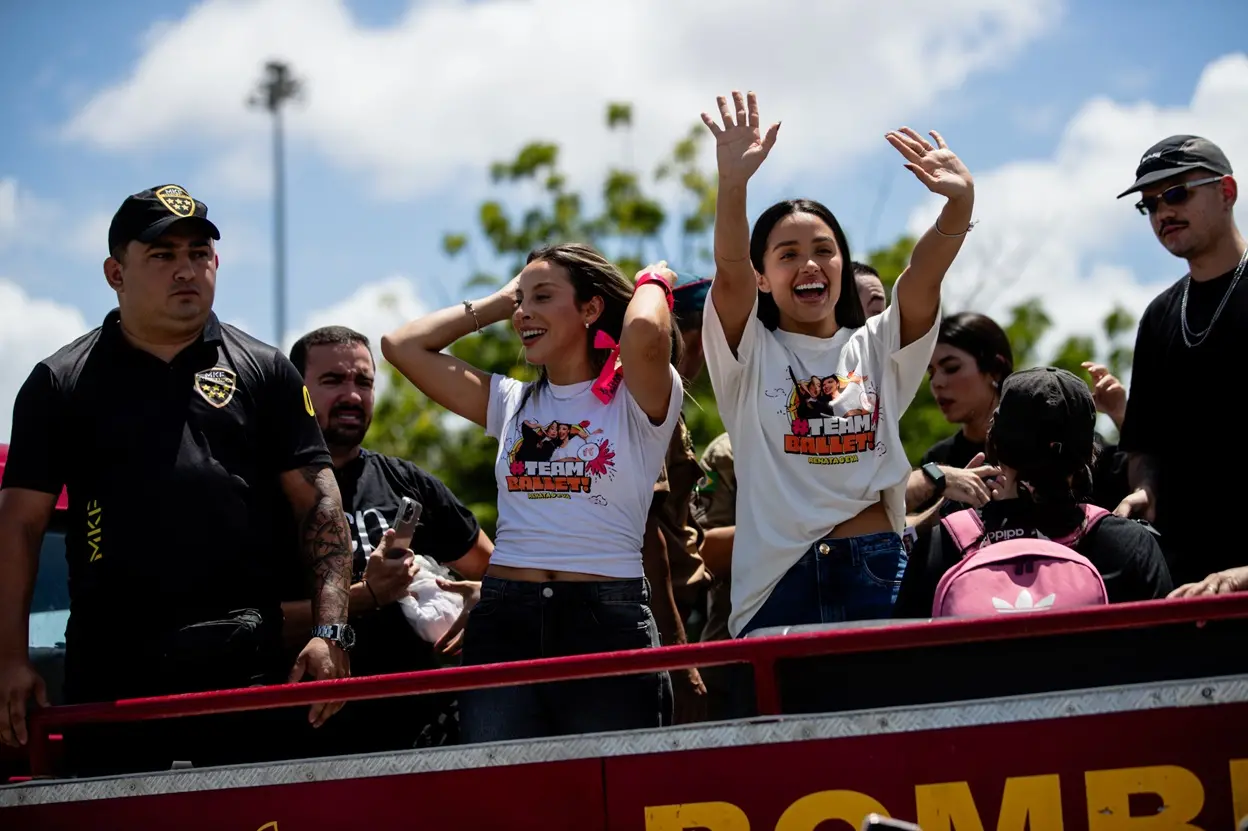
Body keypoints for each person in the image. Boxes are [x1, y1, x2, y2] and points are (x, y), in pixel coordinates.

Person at [0, 185, 352, 773]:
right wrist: (10, 658)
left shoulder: (265, 370)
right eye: (162, 256)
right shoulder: (59, 382)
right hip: (112, 671)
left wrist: (333, 632)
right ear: (116, 272)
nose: (186, 270)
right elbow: (19, 525)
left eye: (199, 253)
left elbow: (319, 505)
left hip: (246, 665)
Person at [698, 90, 974, 638]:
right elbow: (728, 270)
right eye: (788, 254)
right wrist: (733, 184)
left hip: (876, 571)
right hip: (776, 587)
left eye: (824, 250)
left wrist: (958, 207)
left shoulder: (878, 344)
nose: (810, 264)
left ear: (843, 266)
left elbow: (921, 277)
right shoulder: (747, 353)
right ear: (762, 277)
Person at [381, 244, 683, 742]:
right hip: (506, 619)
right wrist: (501, 301)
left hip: (605, 619)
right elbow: (400, 345)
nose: (524, 313)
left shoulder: (638, 394)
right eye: (522, 302)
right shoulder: (510, 401)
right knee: (507, 801)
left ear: (590, 309)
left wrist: (653, 281)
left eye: (543, 297)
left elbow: (646, 331)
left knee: (612, 798)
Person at [286, 325, 493, 753]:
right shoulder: (265, 493)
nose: (353, 395)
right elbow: (257, 622)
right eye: (332, 381)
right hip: (308, 740)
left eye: (363, 382)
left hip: (424, 733)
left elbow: (495, 569)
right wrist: (370, 594)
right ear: (295, 391)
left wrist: (485, 596)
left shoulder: (406, 481)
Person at [894, 368, 1173, 617]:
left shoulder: (946, 543)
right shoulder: (1129, 543)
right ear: (1088, 452)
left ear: (995, 442)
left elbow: (906, 657)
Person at [1114, 135, 1248, 585]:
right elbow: (1144, 443)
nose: (1163, 213)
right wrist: (1145, 488)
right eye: (1149, 205)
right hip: (1187, 583)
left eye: (1176, 193)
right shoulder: (1158, 316)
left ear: (1226, 192)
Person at [642, 274, 713, 722]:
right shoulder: (649, 399)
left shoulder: (670, 400)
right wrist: (677, 657)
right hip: (662, 626)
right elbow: (648, 537)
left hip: (679, 618)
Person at [905, 313, 1013, 529]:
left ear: (995, 369)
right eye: (931, 372)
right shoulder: (937, 462)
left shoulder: (1050, 445)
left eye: (952, 368)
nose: (936, 383)